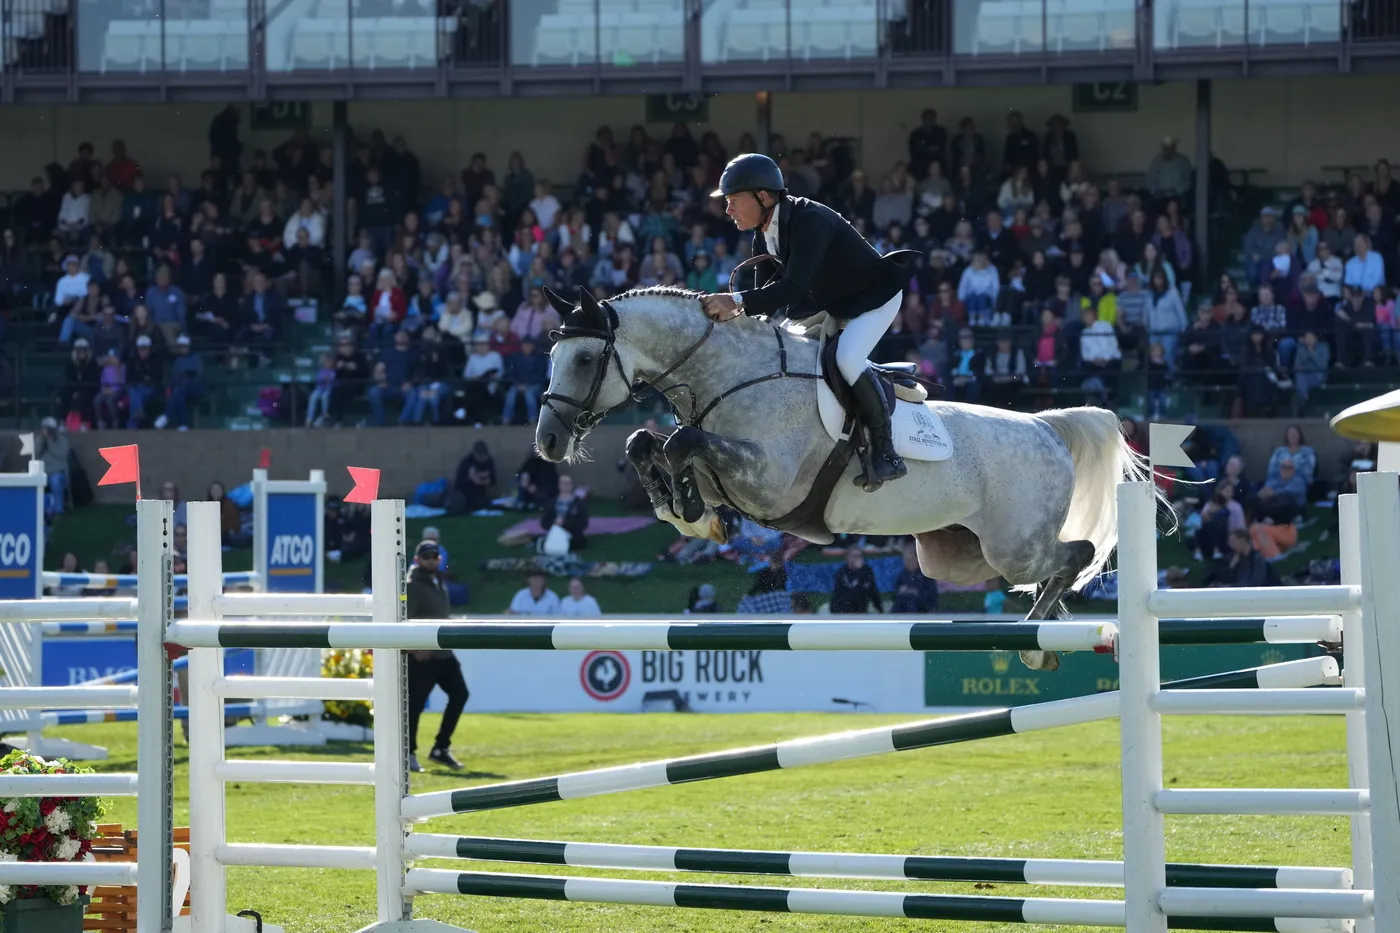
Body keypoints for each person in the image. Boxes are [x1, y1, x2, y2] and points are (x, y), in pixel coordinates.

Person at [699, 153, 917, 492]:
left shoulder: (809, 220)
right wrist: (732, 326)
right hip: (834, 302)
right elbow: (766, 300)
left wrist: (737, 301)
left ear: (764, 197)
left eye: (733, 200)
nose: (728, 210)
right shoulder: (764, 234)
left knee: (845, 359)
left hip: (874, 299)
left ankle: (886, 453)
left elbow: (791, 288)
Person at [404, 539, 468, 773]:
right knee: (414, 706)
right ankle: (408, 753)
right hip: (423, 656)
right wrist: (414, 649)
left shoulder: (437, 581)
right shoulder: (411, 584)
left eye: (435, 556)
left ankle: (441, 748)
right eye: (427, 556)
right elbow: (404, 620)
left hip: (443, 653)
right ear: (417, 559)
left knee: (460, 694)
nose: (432, 559)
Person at [830, 545, 883, 614]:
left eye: (860, 556)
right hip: (842, 611)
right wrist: (859, 571)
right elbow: (849, 593)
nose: (858, 559)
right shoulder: (842, 572)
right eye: (855, 556)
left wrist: (880, 610)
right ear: (848, 558)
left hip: (860, 611)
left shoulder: (867, 571)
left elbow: (873, 592)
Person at [890, 545, 939, 613]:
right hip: (903, 606)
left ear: (918, 560)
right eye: (905, 560)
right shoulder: (902, 575)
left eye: (910, 560)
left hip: (922, 607)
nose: (907, 563)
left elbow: (931, 595)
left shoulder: (926, 575)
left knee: (912, 601)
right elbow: (895, 593)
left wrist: (915, 592)